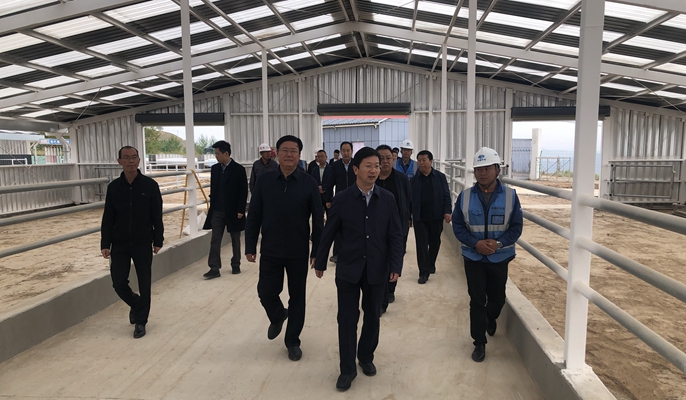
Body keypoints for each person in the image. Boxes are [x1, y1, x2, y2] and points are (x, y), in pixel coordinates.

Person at [314, 147, 403, 392]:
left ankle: (365, 357)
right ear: (356, 169)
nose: (374, 170)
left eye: (377, 165)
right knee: (346, 319)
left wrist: (396, 265)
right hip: (349, 269)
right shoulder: (342, 199)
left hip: (377, 268)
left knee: (373, 315)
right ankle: (347, 369)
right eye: (368, 166)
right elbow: (329, 231)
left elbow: (396, 235)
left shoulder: (387, 199)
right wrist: (320, 260)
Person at [245, 135, 324, 362]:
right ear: (276, 154)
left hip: (298, 250)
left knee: (297, 297)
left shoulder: (309, 183)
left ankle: (293, 341)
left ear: (299, 155)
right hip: (270, 249)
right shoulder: (265, 181)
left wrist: (317, 251)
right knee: (266, 291)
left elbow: (318, 219)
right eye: (285, 150)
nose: (289, 154)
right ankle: (278, 315)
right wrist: (250, 245)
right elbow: (255, 215)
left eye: (294, 151)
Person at [451, 147, 523, 363]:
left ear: (497, 170)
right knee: (477, 300)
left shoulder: (510, 196)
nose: (482, 173)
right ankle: (479, 342)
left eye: (487, 168)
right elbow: (458, 226)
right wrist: (475, 243)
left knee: (497, 299)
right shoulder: (465, 197)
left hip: (499, 257)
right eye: (478, 169)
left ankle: (491, 317)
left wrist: (499, 243)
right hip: (473, 258)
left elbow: (516, 227)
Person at [101, 146, 163, 339]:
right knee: (118, 282)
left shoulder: (150, 186)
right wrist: (105, 243)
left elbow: (157, 215)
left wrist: (158, 239)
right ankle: (136, 304)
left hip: (143, 241)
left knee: (145, 282)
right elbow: (108, 217)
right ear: (119, 161)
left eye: (134, 157)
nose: (130, 161)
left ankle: (141, 321)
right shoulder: (114, 188)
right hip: (119, 243)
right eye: (126, 158)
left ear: (139, 160)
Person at [202, 140, 248, 279]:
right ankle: (214, 267)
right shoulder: (215, 169)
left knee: (235, 239)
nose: (216, 156)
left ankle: (236, 264)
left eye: (217, 154)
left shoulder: (238, 169)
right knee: (215, 239)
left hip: (233, 211)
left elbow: (243, 191)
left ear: (226, 153)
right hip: (217, 210)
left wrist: (241, 210)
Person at [375, 144, 411, 313]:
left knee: (395, 257)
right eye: (381, 158)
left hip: (397, 228)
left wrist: (408, 219)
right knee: (378, 261)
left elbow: (408, 200)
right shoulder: (371, 178)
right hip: (375, 229)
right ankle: (380, 298)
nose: (385, 161)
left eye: (388, 158)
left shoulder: (401, 179)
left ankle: (391, 288)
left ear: (393, 159)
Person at [410, 150, 452, 284]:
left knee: (435, 242)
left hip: (436, 216)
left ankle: (431, 263)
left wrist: (447, 211)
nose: (421, 163)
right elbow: (409, 200)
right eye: (419, 160)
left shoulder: (440, 177)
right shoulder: (413, 180)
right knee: (421, 245)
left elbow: (446, 195)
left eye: (424, 160)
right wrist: (409, 216)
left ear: (431, 161)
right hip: (420, 217)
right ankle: (423, 272)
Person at [324, 141, 355, 264]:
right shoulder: (335, 166)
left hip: (355, 199)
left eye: (348, 150)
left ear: (352, 151)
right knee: (338, 226)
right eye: (343, 150)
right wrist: (328, 199)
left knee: (353, 226)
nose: (346, 153)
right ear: (341, 152)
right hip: (340, 200)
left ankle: (353, 252)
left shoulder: (356, 164)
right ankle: (337, 253)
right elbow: (330, 183)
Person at [311, 149, 332, 215]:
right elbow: (312, 181)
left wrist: (323, 187)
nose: (320, 158)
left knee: (330, 215)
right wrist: (318, 188)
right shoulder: (314, 170)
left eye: (322, 156)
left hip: (328, 196)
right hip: (317, 196)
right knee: (318, 215)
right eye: (318, 157)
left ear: (326, 157)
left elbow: (332, 182)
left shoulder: (331, 169)